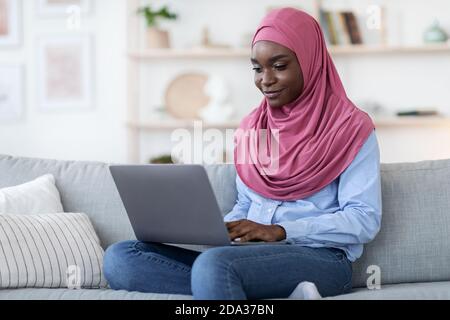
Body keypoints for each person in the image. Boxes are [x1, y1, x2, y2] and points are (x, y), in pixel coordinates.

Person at [103, 7, 382, 300]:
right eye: (257, 68)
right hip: (244, 257)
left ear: (310, 62)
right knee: (122, 258)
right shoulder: (255, 126)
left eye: (279, 65)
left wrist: (281, 230)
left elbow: (363, 219)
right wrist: (219, 229)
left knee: (214, 267)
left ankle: (221, 281)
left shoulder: (351, 127)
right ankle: (237, 287)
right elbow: (248, 203)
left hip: (321, 259)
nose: (266, 79)